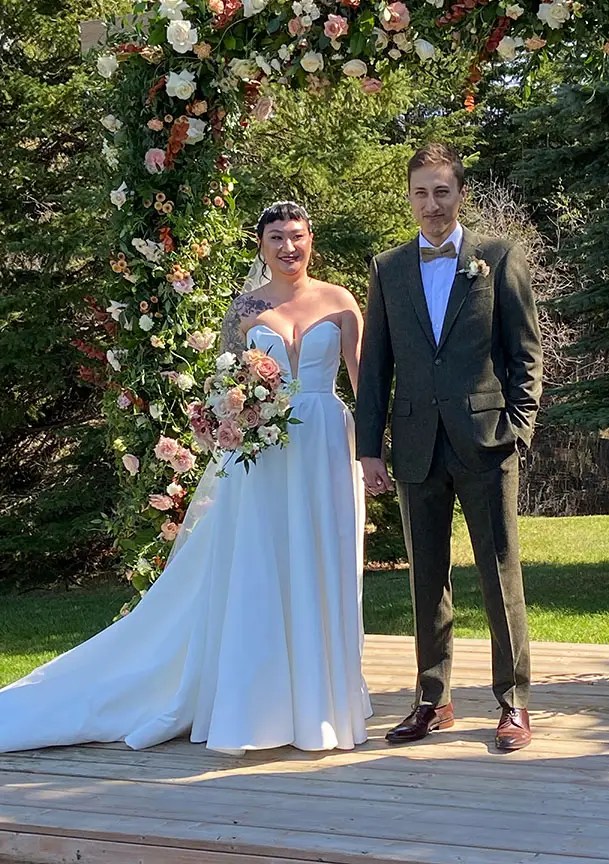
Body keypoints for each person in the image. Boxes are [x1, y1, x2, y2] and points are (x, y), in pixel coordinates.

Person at [0, 201, 371, 755]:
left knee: (322, 559)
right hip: (265, 453)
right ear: (261, 245)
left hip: (322, 444)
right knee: (262, 564)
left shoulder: (340, 302)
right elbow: (224, 384)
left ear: (311, 239)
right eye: (276, 238)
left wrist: (372, 452)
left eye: (297, 236)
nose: (288, 247)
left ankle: (323, 699)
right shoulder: (245, 307)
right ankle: (260, 703)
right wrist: (238, 413)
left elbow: (364, 385)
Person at [356, 143, 542, 751]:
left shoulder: (498, 257)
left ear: (460, 194)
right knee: (426, 579)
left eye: (442, 191)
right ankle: (431, 700)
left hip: (487, 441)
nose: (431, 204)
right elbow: (375, 364)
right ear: (408, 198)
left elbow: (526, 354)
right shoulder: (387, 267)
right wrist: (370, 448)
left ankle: (513, 703)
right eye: (420, 192)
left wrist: (518, 428)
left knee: (498, 574)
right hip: (415, 444)